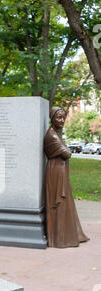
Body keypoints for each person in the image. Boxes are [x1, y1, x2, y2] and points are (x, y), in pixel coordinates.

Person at [44, 106, 89, 248]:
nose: (62, 120)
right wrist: (67, 150)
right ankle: (59, 238)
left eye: (63, 117)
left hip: (60, 171)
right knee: (58, 204)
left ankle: (68, 235)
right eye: (58, 117)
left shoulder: (56, 134)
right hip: (56, 172)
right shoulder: (51, 135)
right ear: (52, 118)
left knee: (65, 203)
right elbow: (67, 153)